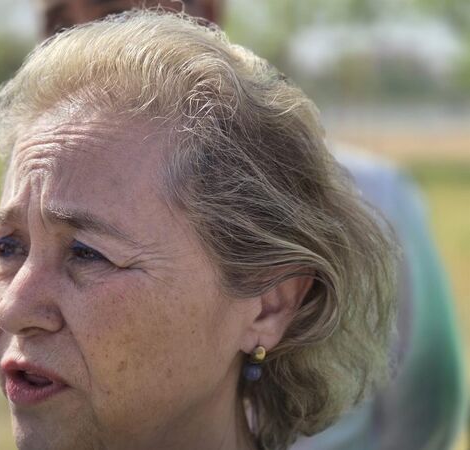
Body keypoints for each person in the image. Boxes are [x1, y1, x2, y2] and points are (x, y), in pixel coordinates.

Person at [31, 4, 466, 449]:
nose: (14, 306)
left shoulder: (372, 193)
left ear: (205, 14)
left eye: (88, 253)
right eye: (8, 247)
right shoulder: (40, 178)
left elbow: (428, 407)